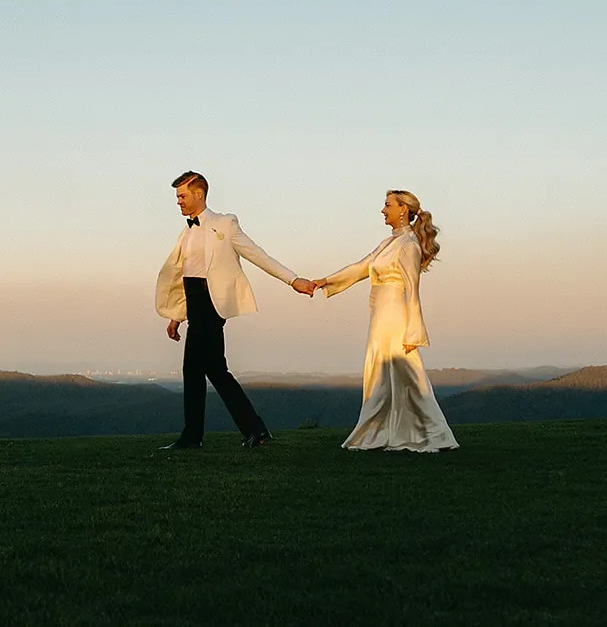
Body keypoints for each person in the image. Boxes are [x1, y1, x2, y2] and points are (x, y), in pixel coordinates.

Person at [155, 171, 316, 450]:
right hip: (194, 304)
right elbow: (185, 276)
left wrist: (293, 280)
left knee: (200, 368)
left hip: (212, 304)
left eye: (182, 196)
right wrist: (177, 316)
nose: (178, 202)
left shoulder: (225, 224)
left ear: (199, 194)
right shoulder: (186, 232)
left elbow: (258, 255)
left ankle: (201, 435)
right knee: (209, 370)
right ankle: (246, 430)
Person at [311, 190, 458, 452]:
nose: (383, 210)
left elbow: (412, 288)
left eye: (387, 205)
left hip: (393, 315)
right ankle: (384, 429)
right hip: (380, 312)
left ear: (403, 209)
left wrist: (414, 331)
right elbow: (361, 267)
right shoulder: (388, 243)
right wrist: (325, 281)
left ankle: (433, 433)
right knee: (386, 371)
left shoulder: (408, 246)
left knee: (403, 371)